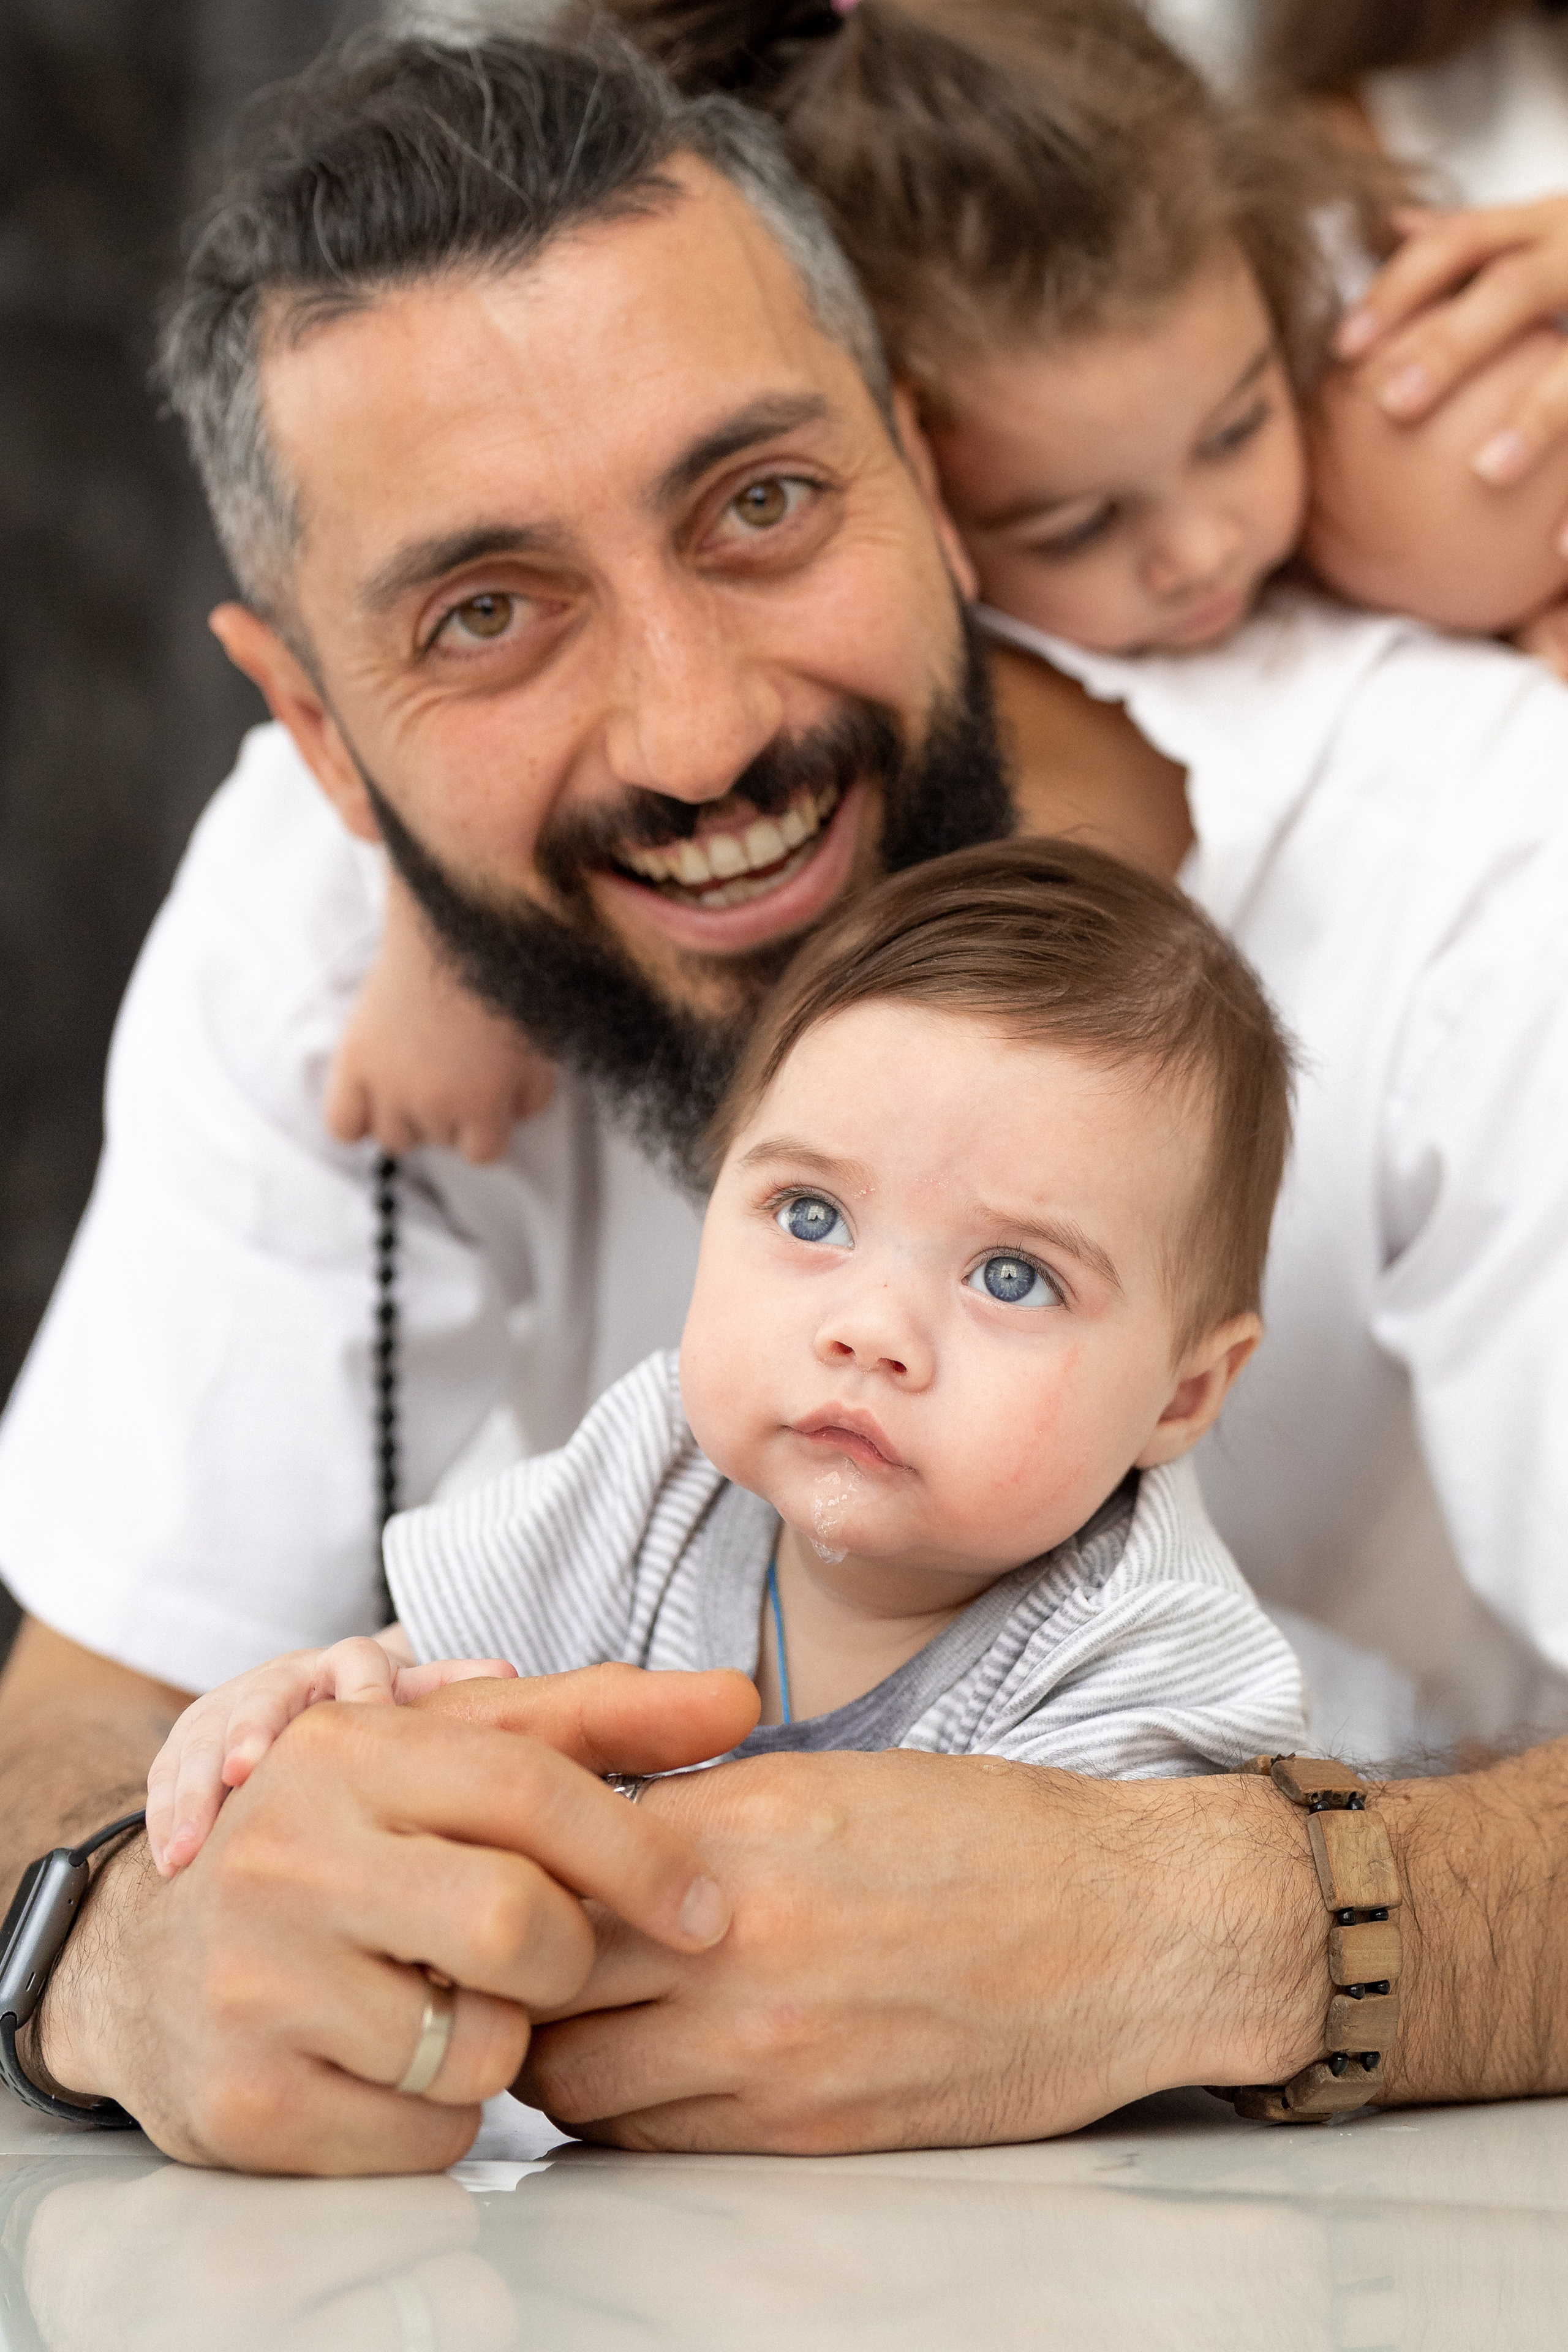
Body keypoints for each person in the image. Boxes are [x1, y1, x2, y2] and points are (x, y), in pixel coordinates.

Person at [2, 24, 1568, 2174]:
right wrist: (114, 1948)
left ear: (927, 475)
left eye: (760, 502)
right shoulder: (313, 920)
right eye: (483, 612)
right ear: (320, 733)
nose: (697, 728)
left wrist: (1218, 1928)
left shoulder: (1485, 853)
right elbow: (94, 1692)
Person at [144, 842, 1305, 1875]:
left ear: (1185, 1393)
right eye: (810, 1216)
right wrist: (301, 1713)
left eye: (1012, 1277)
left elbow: (1048, 1989)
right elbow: (414, 1684)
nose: (871, 1331)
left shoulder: (1144, 1651)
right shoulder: (656, 1478)